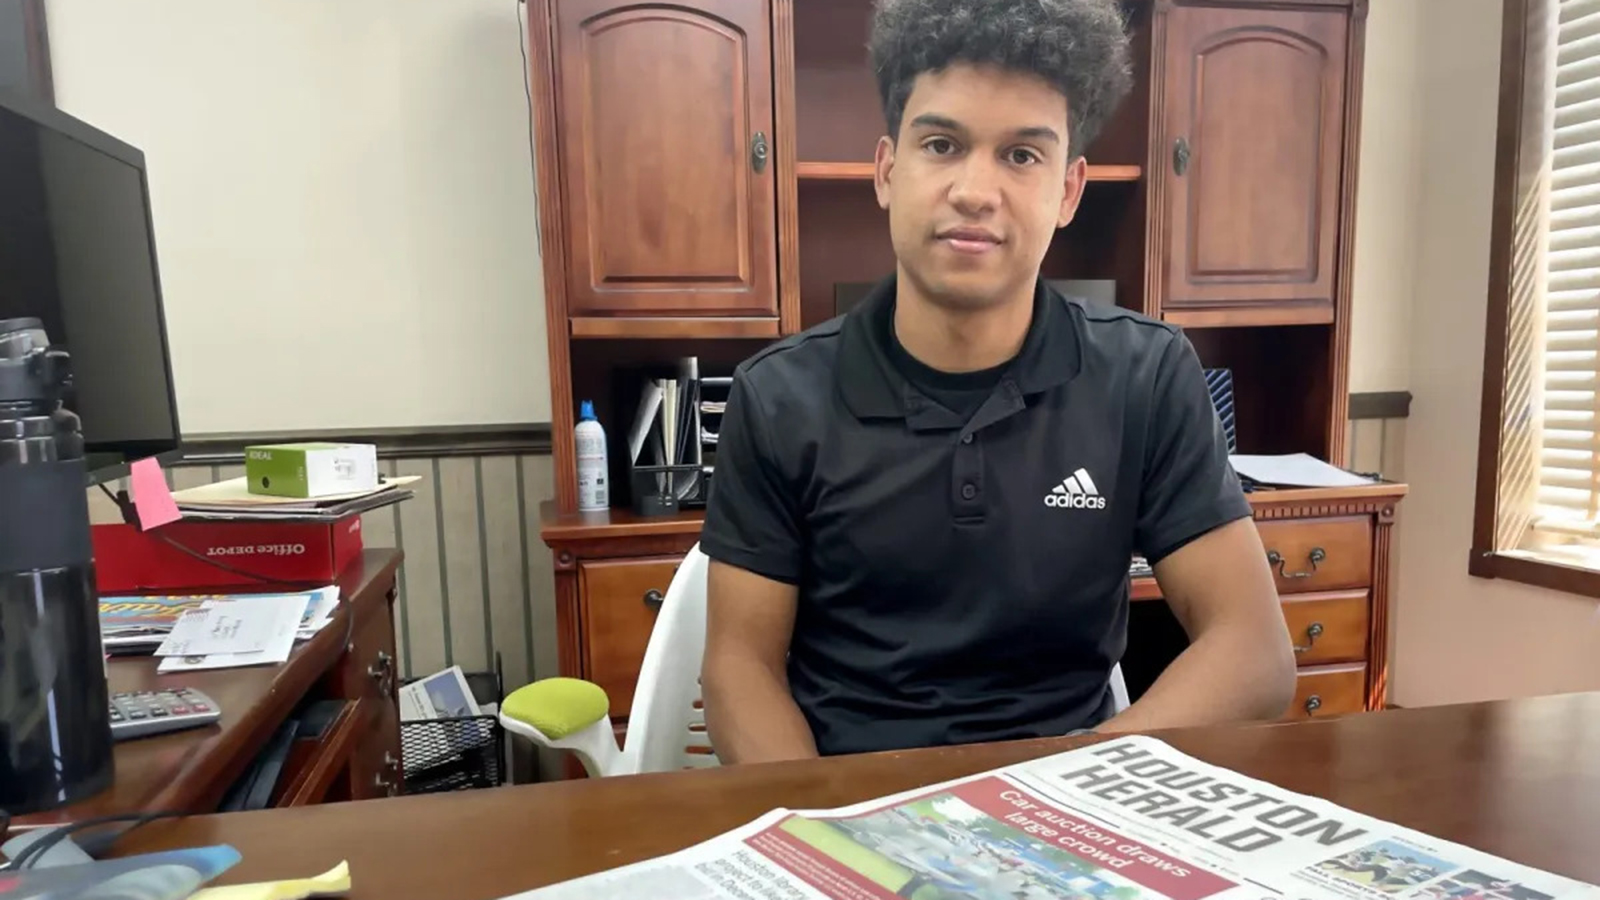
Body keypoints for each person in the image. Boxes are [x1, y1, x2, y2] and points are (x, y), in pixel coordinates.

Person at [699, 0, 1295, 763]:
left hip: (1072, 800)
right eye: (942, 144)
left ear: (1070, 190)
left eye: (1022, 156)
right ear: (887, 170)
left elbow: (1254, 650)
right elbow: (739, 666)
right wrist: (823, 835)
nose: (976, 191)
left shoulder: (1146, 375)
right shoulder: (777, 396)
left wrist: (1075, 782)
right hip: (855, 803)